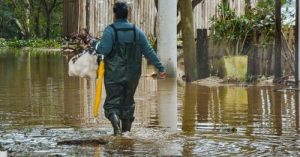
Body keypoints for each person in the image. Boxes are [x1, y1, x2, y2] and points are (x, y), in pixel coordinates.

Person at [89, 1, 166, 136]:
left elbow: (103, 51)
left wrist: (95, 45)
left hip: (114, 75)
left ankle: (115, 124)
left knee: (112, 103)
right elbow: (149, 51)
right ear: (127, 14)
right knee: (128, 102)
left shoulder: (110, 31)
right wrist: (160, 68)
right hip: (132, 75)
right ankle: (126, 135)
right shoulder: (137, 31)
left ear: (114, 15)